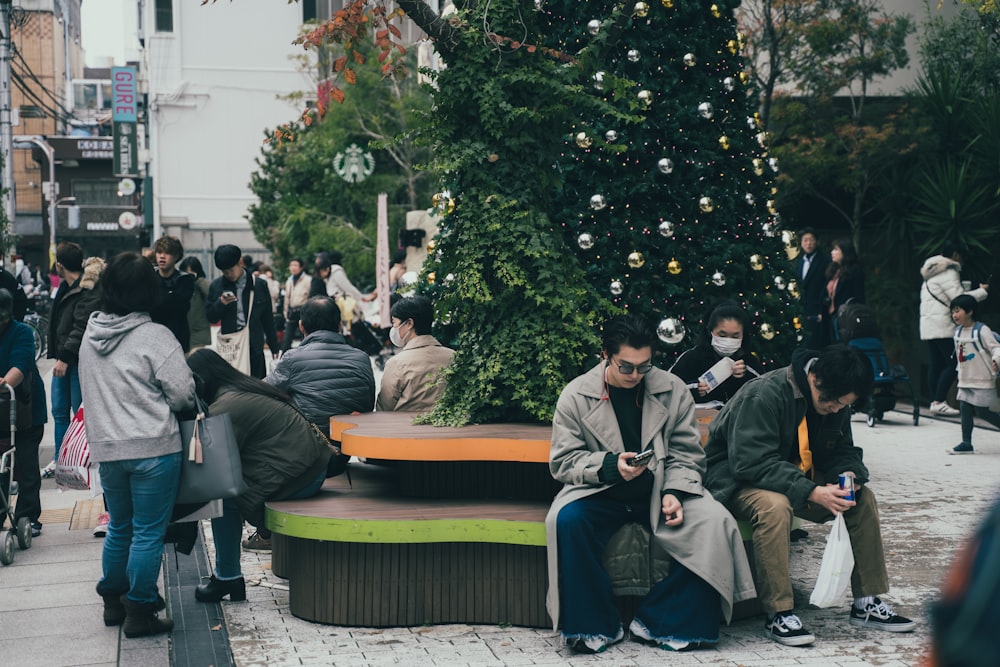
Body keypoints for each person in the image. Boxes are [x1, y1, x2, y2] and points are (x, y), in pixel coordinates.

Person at [545, 314, 755, 654]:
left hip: (660, 490)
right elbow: (563, 461)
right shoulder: (575, 394)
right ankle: (593, 625)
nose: (635, 376)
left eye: (644, 367)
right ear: (605, 356)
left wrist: (675, 491)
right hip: (598, 490)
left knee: (716, 522)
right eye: (626, 367)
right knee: (566, 521)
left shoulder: (672, 389)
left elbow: (686, 454)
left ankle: (662, 621)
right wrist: (610, 466)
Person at [704, 344, 915, 647]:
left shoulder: (833, 399)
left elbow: (844, 450)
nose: (836, 409)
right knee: (774, 507)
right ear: (814, 377)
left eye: (844, 405)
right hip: (736, 480)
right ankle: (779, 614)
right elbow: (750, 462)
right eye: (833, 402)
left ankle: (866, 602)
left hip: (791, 476)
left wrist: (850, 476)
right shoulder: (764, 394)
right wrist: (813, 491)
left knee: (862, 499)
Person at [78, 252, 196, 638]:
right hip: (153, 449)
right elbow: (182, 394)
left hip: (108, 449)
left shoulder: (90, 336)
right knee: (148, 531)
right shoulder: (156, 336)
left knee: (120, 528)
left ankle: (113, 599)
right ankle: (140, 609)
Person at [186, 348, 332, 602]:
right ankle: (229, 576)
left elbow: (215, 466)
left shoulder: (225, 406)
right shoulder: (244, 389)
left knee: (223, 500)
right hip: (312, 468)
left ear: (201, 381)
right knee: (227, 492)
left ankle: (227, 577)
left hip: (303, 477)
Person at [264, 295, 374, 518]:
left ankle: (264, 533)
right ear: (339, 325)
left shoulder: (293, 359)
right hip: (341, 457)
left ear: (301, 326)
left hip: (306, 460)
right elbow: (367, 404)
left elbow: (264, 393)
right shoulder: (361, 359)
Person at [44, 244, 104, 476]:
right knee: (60, 411)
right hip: (65, 358)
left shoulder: (88, 289)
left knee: (80, 413)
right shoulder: (67, 287)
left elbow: (81, 327)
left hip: (79, 361)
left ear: (59, 264)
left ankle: (84, 460)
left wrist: (65, 357)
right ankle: (61, 460)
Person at [920, 241, 989, 417]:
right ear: (956, 255)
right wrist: (981, 292)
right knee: (954, 363)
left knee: (936, 364)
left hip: (929, 325)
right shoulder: (949, 271)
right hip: (942, 325)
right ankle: (938, 401)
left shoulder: (931, 271)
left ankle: (935, 401)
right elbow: (958, 299)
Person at [0, 288, 46, 538]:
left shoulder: (21, 332)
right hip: (0, 411)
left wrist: (5, 382)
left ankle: (28, 517)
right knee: (1, 467)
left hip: (25, 407)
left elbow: (21, 364)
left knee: (26, 463)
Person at [668, 300, 764, 406]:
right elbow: (668, 388)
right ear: (710, 331)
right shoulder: (692, 358)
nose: (728, 340)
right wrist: (695, 388)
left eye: (735, 336)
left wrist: (745, 374)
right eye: (722, 335)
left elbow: (764, 390)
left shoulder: (749, 362)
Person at [206, 244, 279, 379]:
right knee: (232, 389)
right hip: (231, 349)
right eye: (224, 271)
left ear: (240, 262)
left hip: (254, 347)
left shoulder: (258, 285)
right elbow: (211, 317)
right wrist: (220, 304)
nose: (228, 274)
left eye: (230, 270)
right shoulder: (217, 286)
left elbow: (267, 319)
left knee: (257, 389)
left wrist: (274, 347)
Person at [377, 295, 454, 412]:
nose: (393, 328)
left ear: (409, 323)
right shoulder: (453, 357)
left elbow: (384, 408)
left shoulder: (397, 363)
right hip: (450, 428)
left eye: (394, 322)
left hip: (405, 428)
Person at [948, 294, 1000, 454]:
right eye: (953, 311)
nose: (954, 315)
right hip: (965, 379)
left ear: (970, 311)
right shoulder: (957, 331)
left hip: (982, 378)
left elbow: (996, 347)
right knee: (965, 408)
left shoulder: (981, 330)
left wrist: (997, 360)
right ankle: (966, 443)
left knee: (983, 411)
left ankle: (966, 442)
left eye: (958, 311)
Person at [150, 235, 195, 352]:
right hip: (152, 339)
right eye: (159, 252)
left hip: (177, 339)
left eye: (167, 253)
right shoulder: (149, 276)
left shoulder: (185, 279)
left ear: (176, 256)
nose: (162, 256)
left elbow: (178, 307)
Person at [793, 227, 831, 349]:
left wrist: (821, 309)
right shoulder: (799, 262)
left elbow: (826, 286)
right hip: (801, 310)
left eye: (811, 240)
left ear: (817, 241)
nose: (808, 243)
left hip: (817, 310)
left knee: (815, 343)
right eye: (805, 240)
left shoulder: (825, 261)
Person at [825, 238, 865, 343]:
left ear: (845, 252)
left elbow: (859, 296)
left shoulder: (854, 271)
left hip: (847, 317)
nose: (832, 252)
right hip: (834, 315)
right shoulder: (835, 270)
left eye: (836, 250)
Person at [178, 256, 212, 348]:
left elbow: (211, 295)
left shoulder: (201, 285)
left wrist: (198, 280)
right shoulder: (180, 286)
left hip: (198, 335)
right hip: (182, 335)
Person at [281, 258, 313, 352]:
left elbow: (310, 297)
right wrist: (285, 312)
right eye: (291, 265)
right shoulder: (289, 281)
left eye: (295, 265)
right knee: (286, 340)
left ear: (301, 267)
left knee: (304, 338)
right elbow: (287, 298)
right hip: (291, 312)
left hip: (303, 312)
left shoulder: (308, 280)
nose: (293, 268)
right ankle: (284, 361)